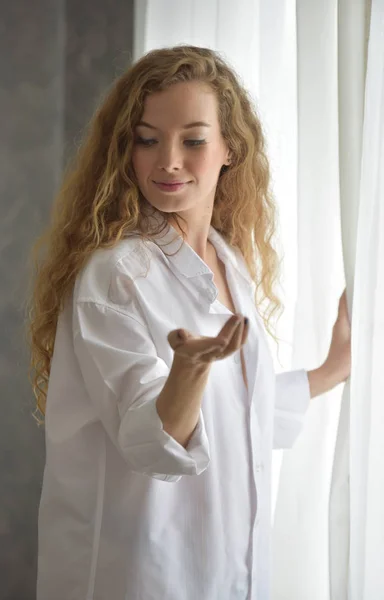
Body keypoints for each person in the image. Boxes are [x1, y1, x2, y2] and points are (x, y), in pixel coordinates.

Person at [28, 45, 351, 600]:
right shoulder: (116, 275)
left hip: (226, 574)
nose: (168, 160)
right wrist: (187, 372)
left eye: (193, 140)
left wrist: (332, 369)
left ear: (231, 148)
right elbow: (149, 443)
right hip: (137, 577)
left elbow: (238, 416)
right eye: (146, 139)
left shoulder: (228, 262)